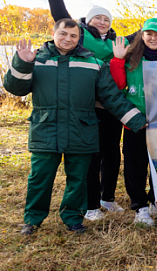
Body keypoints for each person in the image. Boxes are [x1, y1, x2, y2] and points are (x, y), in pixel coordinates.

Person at [36, 0, 157, 222]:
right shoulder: (80, 36)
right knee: (91, 155)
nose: (101, 22)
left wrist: (155, 19)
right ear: (87, 21)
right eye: (97, 18)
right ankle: (90, 204)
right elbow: (60, 15)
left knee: (111, 154)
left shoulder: (116, 42)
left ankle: (107, 198)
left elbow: (144, 37)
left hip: (114, 106)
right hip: (90, 105)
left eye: (106, 19)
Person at [4, 19, 147, 235]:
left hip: (82, 129)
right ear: (53, 34)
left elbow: (112, 98)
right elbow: (15, 89)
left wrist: (137, 121)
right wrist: (22, 63)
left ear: (79, 37)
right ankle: (32, 219)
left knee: (78, 179)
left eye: (73, 36)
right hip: (45, 129)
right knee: (40, 178)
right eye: (63, 34)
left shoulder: (94, 63)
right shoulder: (37, 59)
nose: (68, 39)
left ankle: (73, 217)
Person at [110, 19, 157, 226]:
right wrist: (117, 60)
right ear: (142, 36)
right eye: (149, 34)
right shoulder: (131, 58)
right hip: (136, 123)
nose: (153, 38)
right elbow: (118, 85)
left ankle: (155, 201)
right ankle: (140, 207)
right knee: (135, 165)